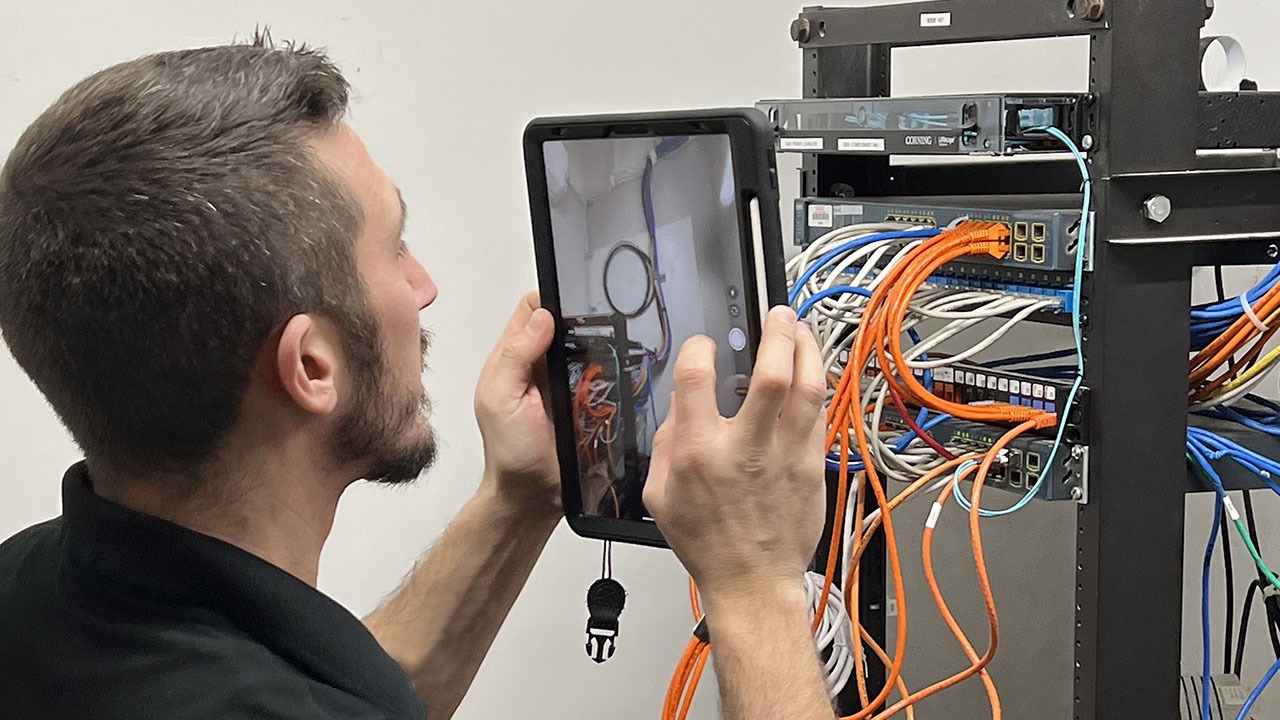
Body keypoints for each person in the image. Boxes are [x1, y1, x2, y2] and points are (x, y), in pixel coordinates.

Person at [0, 36, 834, 719]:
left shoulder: (35, 587)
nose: (424, 284)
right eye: (395, 247)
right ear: (312, 366)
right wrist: (756, 585)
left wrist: (520, 495)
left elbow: (343, 692)